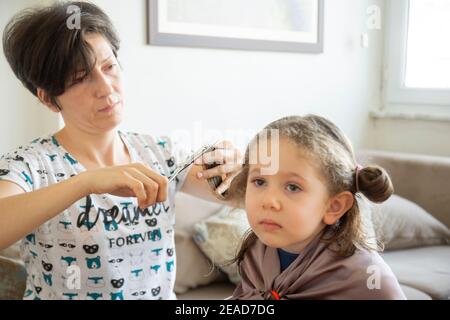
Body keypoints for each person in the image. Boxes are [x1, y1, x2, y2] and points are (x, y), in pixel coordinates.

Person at [0, 1, 241, 300]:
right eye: (81, 78)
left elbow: (247, 199)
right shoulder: (29, 165)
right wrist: (86, 182)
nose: (106, 88)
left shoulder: (160, 152)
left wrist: (241, 169)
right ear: (49, 99)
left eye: (109, 66)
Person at [226, 115, 406, 300]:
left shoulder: (368, 276)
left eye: (293, 187)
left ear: (334, 206)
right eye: (259, 181)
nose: (269, 201)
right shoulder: (255, 253)